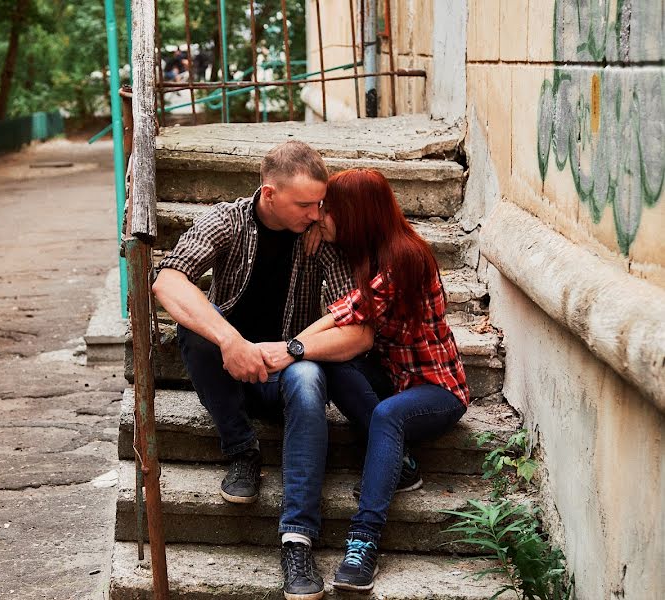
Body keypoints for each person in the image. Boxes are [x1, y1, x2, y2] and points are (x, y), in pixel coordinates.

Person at [152, 141, 379, 600]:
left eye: (320, 202)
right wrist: (230, 339)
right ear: (269, 193)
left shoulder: (319, 239)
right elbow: (167, 280)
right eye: (305, 204)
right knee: (196, 329)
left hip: (283, 373)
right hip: (228, 366)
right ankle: (242, 449)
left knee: (310, 374)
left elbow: (360, 329)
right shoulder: (228, 221)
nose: (316, 213)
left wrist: (291, 349)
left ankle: (297, 541)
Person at [299, 168, 470, 592]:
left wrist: (288, 349)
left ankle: (363, 542)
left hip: (438, 392)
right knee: (335, 365)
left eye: (328, 210)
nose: (320, 216)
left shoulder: (406, 258)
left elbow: (347, 314)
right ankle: (404, 465)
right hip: (397, 379)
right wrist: (318, 238)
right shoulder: (368, 251)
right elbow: (344, 318)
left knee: (390, 417)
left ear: (355, 214)